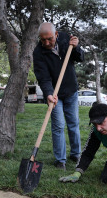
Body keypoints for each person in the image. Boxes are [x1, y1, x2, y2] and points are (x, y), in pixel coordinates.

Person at [33, 22, 84, 170]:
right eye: (43, 40)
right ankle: (60, 160)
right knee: (58, 125)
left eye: (49, 39)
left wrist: (76, 47)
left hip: (71, 90)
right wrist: (48, 94)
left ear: (56, 34)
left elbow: (79, 58)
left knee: (73, 123)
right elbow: (43, 77)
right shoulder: (38, 53)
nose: (47, 43)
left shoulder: (65, 39)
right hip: (54, 94)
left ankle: (76, 154)